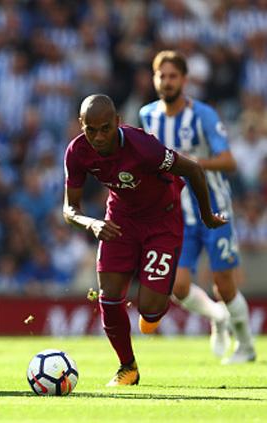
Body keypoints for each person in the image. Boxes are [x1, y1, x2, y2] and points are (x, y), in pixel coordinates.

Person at [63, 94, 226, 386]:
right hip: (120, 222)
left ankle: (153, 308)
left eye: (105, 128)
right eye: (91, 129)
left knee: (149, 314)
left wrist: (207, 216)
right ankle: (128, 367)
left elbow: (193, 170)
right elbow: (69, 209)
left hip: (162, 222)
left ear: (117, 122)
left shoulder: (143, 148)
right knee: (109, 297)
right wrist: (92, 224)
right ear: (81, 125)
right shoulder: (76, 152)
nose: (98, 137)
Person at [140, 50, 257, 364]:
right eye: (161, 76)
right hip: (177, 214)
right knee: (178, 286)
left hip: (215, 211)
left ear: (184, 80)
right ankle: (218, 318)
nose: (166, 82)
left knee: (225, 286)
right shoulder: (147, 116)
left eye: (172, 76)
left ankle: (245, 347)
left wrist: (188, 163)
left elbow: (229, 160)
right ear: (154, 79)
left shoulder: (203, 115)